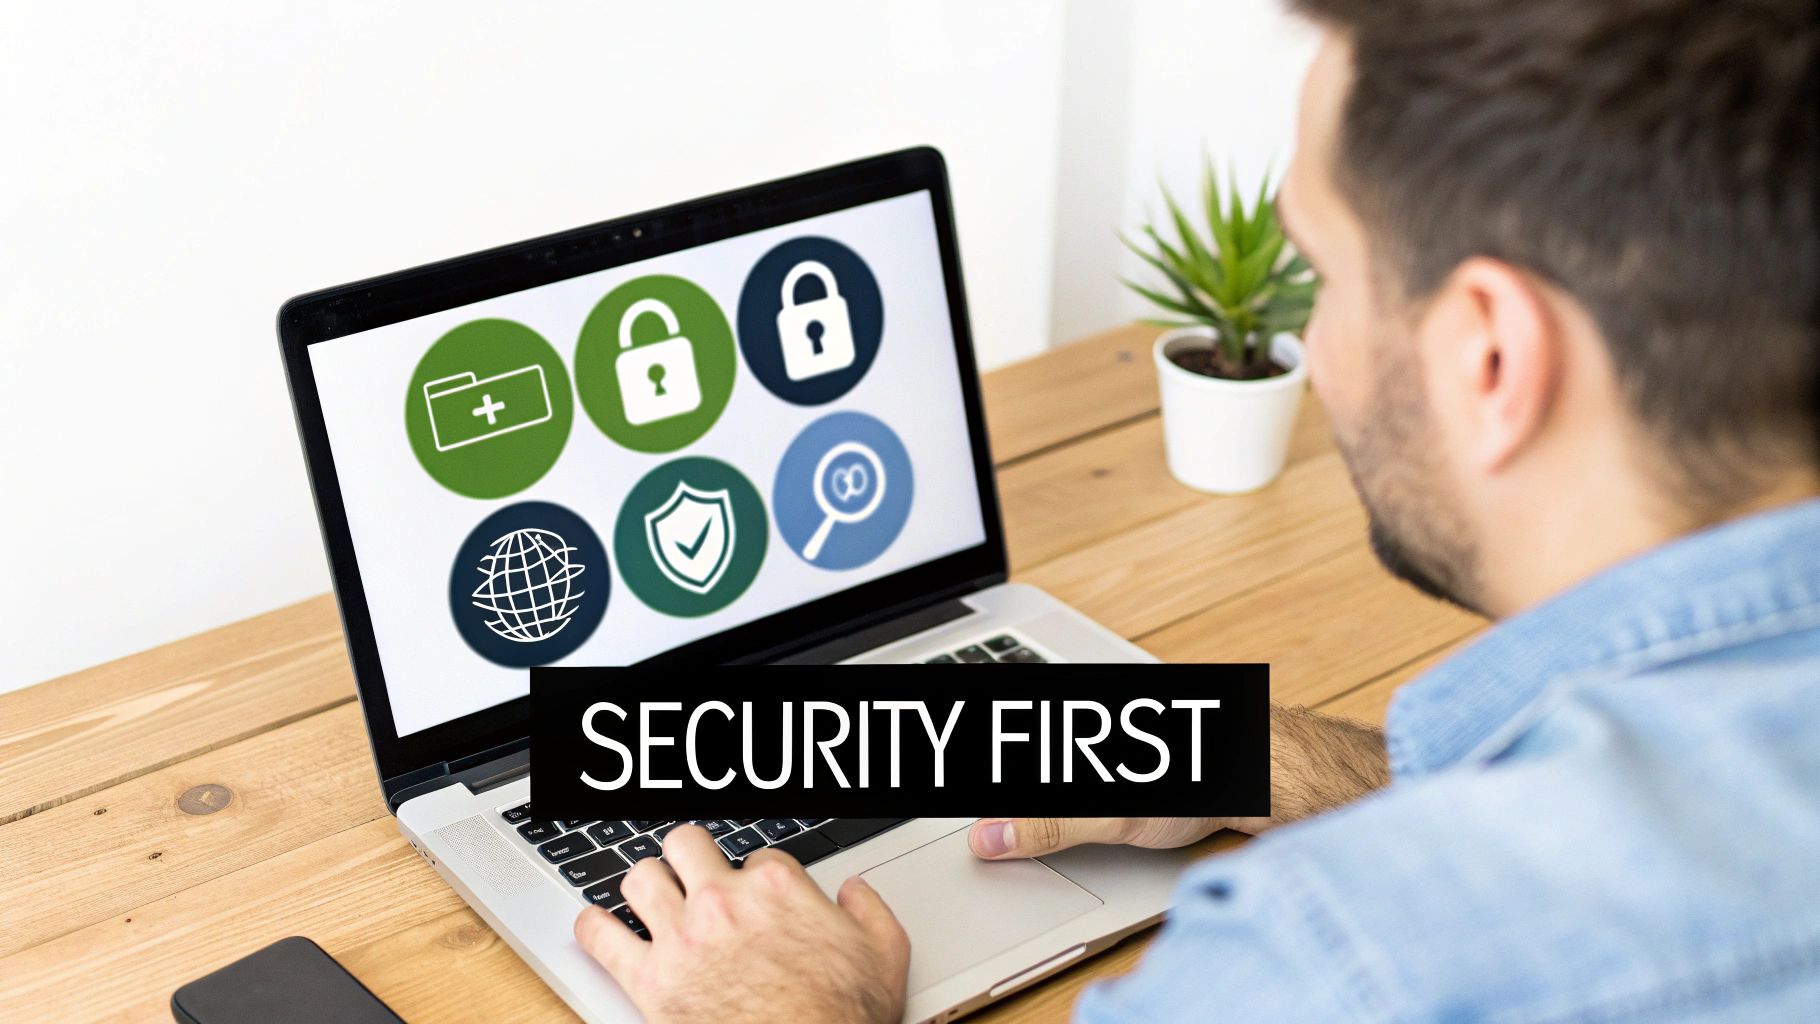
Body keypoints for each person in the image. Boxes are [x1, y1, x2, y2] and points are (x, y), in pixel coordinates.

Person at [573, 0, 1820, 1018]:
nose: (1313, 349)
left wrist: (789, 1011)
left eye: (1323, 276)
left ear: (1486, 355)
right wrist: (1278, 761)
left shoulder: (1326, 967)